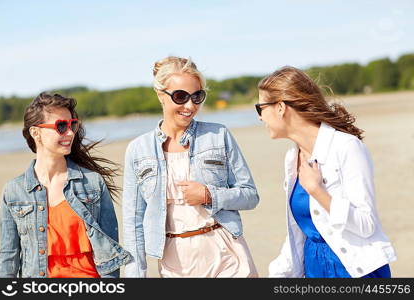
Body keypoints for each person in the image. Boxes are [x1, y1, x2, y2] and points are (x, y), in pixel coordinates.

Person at [122, 56, 259, 277]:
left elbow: (250, 195)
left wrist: (209, 195)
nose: (190, 106)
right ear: (160, 95)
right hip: (174, 262)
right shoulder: (138, 150)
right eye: (180, 96)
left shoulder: (218, 135)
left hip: (225, 252)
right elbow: (133, 223)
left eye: (197, 97)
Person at [256, 66, 396, 278]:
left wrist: (318, 191)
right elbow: (300, 231)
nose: (259, 118)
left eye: (260, 108)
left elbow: (367, 224)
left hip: (354, 270)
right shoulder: (292, 158)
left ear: (281, 107)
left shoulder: (347, 147)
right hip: (314, 269)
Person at [0, 92, 132, 278]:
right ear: (35, 133)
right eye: (61, 126)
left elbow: (110, 254)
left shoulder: (92, 183)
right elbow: (8, 259)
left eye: (72, 125)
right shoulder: (14, 191)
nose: (70, 132)